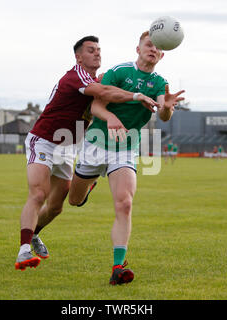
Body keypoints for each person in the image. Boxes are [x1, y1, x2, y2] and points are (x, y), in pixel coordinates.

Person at [15, 35, 159, 271]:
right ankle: (23, 252)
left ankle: (34, 234)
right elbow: (105, 92)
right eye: (91, 50)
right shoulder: (77, 76)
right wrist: (136, 95)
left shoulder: (94, 79)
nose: (97, 53)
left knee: (57, 206)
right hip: (43, 140)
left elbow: (104, 93)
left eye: (99, 50)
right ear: (78, 56)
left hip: (68, 146)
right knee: (39, 194)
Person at [68, 31, 185, 285]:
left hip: (125, 148)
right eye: (148, 44)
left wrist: (166, 107)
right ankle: (88, 186)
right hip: (96, 143)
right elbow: (95, 106)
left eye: (157, 48)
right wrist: (110, 117)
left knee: (125, 204)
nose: (152, 49)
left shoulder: (159, 83)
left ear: (162, 54)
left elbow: (164, 113)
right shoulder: (120, 71)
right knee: (74, 200)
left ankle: (118, 267)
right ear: (138, 48)